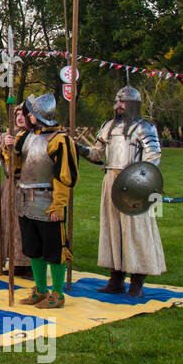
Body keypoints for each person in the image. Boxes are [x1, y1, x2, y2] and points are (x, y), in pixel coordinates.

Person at [77, 84, 166, 296]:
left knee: (136, 231)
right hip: (110, 180)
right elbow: (98, 154)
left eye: (122, 102)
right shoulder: (108, 126)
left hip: (134, 182)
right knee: (112, 229)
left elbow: (153, 156)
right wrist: (79, 149)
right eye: (117, 101)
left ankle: (137, 283)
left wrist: (140, 180)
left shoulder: (145, 127)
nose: (118, 106)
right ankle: (116, 279)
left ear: (133, 104)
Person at [0, 93, 78, 309]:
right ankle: (41, 291)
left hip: (47, 201)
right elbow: (14, 167)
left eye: (30, 113)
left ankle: (58, 294)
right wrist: (9, 148)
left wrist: (59, 205)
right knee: (33, 249)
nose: (28, 116)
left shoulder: (60, 140)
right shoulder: (26, 137)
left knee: (54, 250)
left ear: (38, 115)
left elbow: (65, 176)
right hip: (25, 201)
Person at [0, 105, 32, 279]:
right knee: (8, 222)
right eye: (17, 114)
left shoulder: (33, 137)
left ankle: (27, 264)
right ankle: (14, 261)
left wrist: (9, 148)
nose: (19, 117)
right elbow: (6, 163)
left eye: (23, 115)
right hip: (9, 184)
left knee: (22, 225)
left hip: (24, 184)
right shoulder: (13, 136)